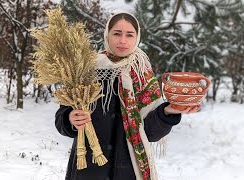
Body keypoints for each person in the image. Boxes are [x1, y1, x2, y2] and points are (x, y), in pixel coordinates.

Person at [55, 11, 201, 180]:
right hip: (88, 168)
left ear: (137, 37)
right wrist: (70, 119)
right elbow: (61, 118)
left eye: (129, 35)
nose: (123, 40)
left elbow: (149, 133)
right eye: (117, 33)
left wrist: (168, 112)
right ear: (107, 35)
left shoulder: (142, 74)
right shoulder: (85, 70)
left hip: (129, 170)